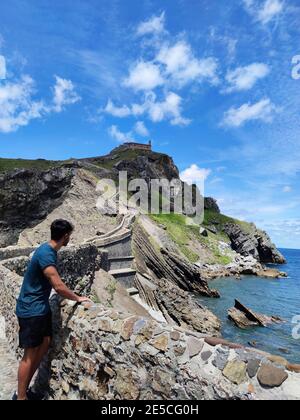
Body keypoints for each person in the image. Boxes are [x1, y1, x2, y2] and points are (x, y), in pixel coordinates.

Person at [14, 219, 91, 400]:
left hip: (40, 308)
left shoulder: (48, 250)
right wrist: (78, 298)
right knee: (29, 355)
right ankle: (20, 397)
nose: (69, 239)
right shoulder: (47, 254)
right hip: (31, 309)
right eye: (69, 236)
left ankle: (24, 388)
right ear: (65, 236)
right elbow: (58, 286)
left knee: (46, 341)